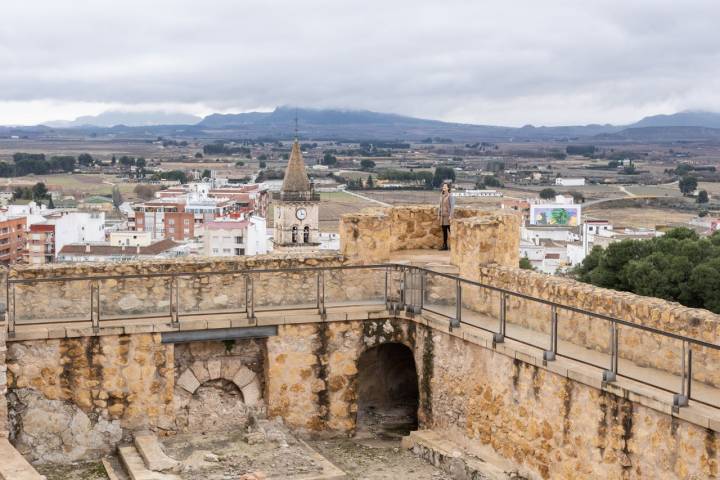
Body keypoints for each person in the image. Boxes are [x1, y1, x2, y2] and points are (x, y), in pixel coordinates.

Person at [438, 182, 455, 250]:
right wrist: (439, 214)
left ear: (448, 188)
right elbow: (440, 206)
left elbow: (452, 206)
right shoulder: (441, 195)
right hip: (443, 216)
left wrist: (451, 216)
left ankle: (454, 245)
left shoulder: (450, 196)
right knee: (444, 231)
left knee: (451, 231)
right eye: (443, 187)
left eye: (445, 187)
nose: (444, 188)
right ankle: (445, 245)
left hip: (448, 216)